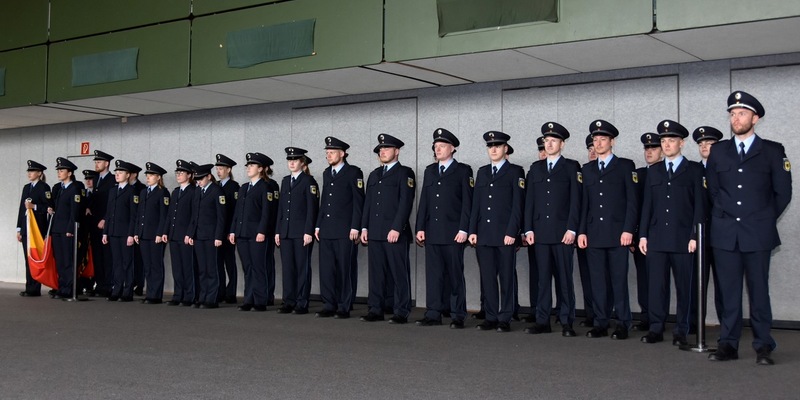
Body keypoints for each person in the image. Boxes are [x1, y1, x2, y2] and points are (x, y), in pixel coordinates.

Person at [706, 91, 792, 365]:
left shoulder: (772, 151)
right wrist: (728, 216)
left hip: (757, 233)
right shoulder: (719, 151)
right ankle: (728, 344)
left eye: (742, 113)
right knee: (728, 292)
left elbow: (783, 193)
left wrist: (761, 219)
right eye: (732, 114)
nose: (736, 118)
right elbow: (714, 190)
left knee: (758, 291)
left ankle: (763, 344)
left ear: (756, 118)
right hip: (725, 233)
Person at [638, 120, 706, 346]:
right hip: (657, 238)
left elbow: (699, 206)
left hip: (682, 239)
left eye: (671, 140)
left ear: (682, 143)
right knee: (656, 286)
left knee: (684, 287)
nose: (666, 145)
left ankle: (682, 330)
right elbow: (647, 205)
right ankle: (656, 328)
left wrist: (695, 235)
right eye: (664, 141)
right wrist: (644, 235)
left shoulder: (694, 170)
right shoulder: (654, 171)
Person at [578, 120, 638, 340]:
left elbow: (632, 202)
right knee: (597, 281)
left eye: (603, 139)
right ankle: (600, 321)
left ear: (612, 141)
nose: (598, 143)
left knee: (618, 279)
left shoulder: (624, 166)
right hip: (594, 233)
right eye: (595, 140)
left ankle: (623, 322)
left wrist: (628, 229)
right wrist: (582, 231)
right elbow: (585, 203)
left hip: (617, 234)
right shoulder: (588, 169)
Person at [522, 122, 581, 337]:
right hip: (540, 233)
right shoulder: (535, 168)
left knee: (565, 279)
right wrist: (528, 229)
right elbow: (529, 202)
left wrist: (572, 229)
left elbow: (576, 201)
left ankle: (566, 321)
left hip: (562, 233)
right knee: (542, 279)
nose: (549, 144)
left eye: (553, 141)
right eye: (546, 141)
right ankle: (542, 320)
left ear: (562, 144)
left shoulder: (571, 167)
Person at [414, 128, 473, 329]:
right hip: (433, 231)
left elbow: (467, 203)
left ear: (452, 148)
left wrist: (464, 229)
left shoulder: (463, 171)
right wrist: (420, 226)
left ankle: (457, 314)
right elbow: (425, 201)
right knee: (434, 275)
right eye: (435, 146)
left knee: (455, 275)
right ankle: (433, 313)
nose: (437, 149)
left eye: (442, 146)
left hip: (453, 232)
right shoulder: (430, 171)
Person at [468, 131, 525, 333]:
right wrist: (472, 230)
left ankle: (505, 316)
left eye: (497, 146)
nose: (493, 149)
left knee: (506, 277)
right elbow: (476, 204)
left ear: (505, 149)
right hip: (484, 234)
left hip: (505, 235)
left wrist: (513, 232)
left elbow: (518, 206)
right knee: (488, 277)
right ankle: (491, 316)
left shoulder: (515, 171)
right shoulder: (482, 172)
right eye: (490, 146)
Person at [360, 134, 416, 324]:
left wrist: (397, 228)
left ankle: (401, 310)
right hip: (375, 232)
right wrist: (364, 227)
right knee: (376, 274)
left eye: (386, 148)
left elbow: (405, 203)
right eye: (380, 150)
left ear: (397, 151)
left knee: (399, 273)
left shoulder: (405, 173)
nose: (382, 152)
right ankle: (376, 309)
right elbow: (368, 204)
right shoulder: (374, 174)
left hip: (394, 233)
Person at [315, 137, 364, 319]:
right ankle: (329, 304)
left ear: (342, 153)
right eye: (327, 153)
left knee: (345, 268)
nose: (329, 156)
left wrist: (355, 227)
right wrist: (318, 225)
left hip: (345, 230)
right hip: (327, 229)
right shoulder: (327, 173)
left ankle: (344, 305)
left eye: (332, 152)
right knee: (327, 269)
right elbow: (324, 201)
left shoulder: (353, 172)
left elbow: (359, 202)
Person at [275, 148, 319, 315]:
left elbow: (311, 209)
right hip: (286, 232)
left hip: (301, 232)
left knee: (302, 268)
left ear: (303, 163)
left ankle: (301, 302)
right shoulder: (285, 181)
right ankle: (289, 301)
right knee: (288, 268)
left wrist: (308, 231)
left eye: (295, 160)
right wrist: (278, 231)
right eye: (289, 160)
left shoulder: (309, 182)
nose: (291, 163)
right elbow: (281, 209)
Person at [230, 152, 275, 312]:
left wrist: (262, 231)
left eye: (252, 165)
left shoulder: (265, 187)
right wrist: (233, 230)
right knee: (247, 267)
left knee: (258, 267)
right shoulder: (243, 188)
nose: (249, 168)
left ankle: (260, 300)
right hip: (242, 233)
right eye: (248, 165)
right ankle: (249, 299)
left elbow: (266, 213)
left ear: (261, 168)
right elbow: (237, 212)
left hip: (257, 234)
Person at [691, 126, 724, 325]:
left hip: (721, 235)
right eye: (701, 144)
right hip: (697, 236)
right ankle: (696, 325)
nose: (704, 146)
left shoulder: (724, 169)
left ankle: (726, 324)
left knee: (723, 284)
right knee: (697, 283)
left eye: (709, 143)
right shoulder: (693, 170)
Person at [631, 132, 663, 332]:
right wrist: (635, 235)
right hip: (641, 236)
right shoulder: (639, 175)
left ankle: (660, 317)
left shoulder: (667, 172)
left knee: (660, 280)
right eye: (646, 148)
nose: (649, 152)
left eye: (654, 148)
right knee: (643, 278)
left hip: (662, 234)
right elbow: (634, 207)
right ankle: (646, 316)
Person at [187, 164, 225, 309]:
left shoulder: (217, 191)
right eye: (196, 179)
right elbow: (194, 215)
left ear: (209, 176)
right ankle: (203, 296)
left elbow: (221, 217)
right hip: (199, 235)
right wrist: (191, 233)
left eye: (201, 179)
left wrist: (218, 236)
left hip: (211, 236)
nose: (198, 182)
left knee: (212, 268)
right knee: (202, 269)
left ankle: (212, 298)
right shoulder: (198, 191)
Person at [133, 162, 170, 304]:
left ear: (158, 177)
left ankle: (156, 295)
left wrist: (160, 233)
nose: (148, 177)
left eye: (151, 175)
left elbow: (164, 216)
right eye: (147, 175)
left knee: (156, 265)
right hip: (143, 234)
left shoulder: (162, 192)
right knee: (147, 265)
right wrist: (137, 232)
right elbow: (139, 214)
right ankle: (150, 293)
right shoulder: (144, 192)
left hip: (155, 235)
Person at [102, 160, 138, 302]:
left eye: (120, 172)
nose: (117, 175)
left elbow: (133, 216)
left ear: (128, 175)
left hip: (125, 233)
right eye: (116, 172)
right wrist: (105, 232)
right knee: (116, 262)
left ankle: (127, 291)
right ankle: (116, 289)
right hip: (113, 232)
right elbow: (108, 213)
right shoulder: (112, 191)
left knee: (127, 262)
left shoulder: (132, 191)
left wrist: (131, 234)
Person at [49, 158, 84, 299]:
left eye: (62, 170)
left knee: (68, 260)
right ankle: (61, 286)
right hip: (57, 228)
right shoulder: (60, 189)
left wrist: (71, 228)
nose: (59, 172)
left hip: (67, 229)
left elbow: (75, 212)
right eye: (58, 170)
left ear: (69, 173)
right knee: (60, 260)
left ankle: (69, 288)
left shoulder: (74, 189)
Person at [16, 160, 52, 297]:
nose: (29, 173)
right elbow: (21, 208)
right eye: (28, 171)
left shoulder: (44, 187)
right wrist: (18, 229)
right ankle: (29, 285)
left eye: (32, 171)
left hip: (37, 228)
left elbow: (49, 207)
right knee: (27, 258)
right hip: (26, 228)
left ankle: (35, 287)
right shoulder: (26, 187)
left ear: (39, 173)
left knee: (36, 258)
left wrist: (34, 207)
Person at [164, 160, 197, 307]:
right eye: (177, 173)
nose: (178, 175)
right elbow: (170, 215)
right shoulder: (175, 192)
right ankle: (178, 294)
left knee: (188, 266)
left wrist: (190, 233)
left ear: (189, 175)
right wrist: (166, 231)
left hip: (185, 235)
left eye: (181, 173)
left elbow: (194, 216)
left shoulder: (193, 191)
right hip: (174, 234)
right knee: (177, 267)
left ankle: (189, 295)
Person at [89, 150, 115, 297]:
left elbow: (111, 203)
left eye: (99, 162)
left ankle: (108, 285)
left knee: (107, 255)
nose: (96, 164)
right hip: (94, 222)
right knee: (97, 255)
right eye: (95, 162)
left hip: (105, 222)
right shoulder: (95, 178)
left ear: (106, 163)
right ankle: (99, 284)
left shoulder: (112, 180)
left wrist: (105, 218)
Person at [215, 154, 240, 304]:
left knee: (229, 262)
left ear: (228, 169)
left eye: (221, 168)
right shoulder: (215, 186)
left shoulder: (234, 187)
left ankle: (231, 293)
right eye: (217, 168)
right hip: (218, 231)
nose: (218, 171)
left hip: (229, 230)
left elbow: (235, 211)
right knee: (217, 263)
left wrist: (233, 230)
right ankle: (220, 291)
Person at [128, 164, 147, 296]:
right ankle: (129, 283)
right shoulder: (124, 188)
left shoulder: (141, 189)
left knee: (139, 259)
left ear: (134, 174)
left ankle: (139, 284)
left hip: (139, 228)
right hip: (127, 228)